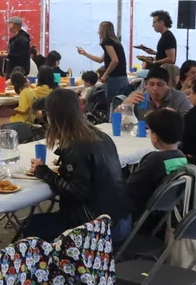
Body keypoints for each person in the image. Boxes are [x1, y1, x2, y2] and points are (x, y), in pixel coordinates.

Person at [25, 89, 132, 242]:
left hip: (101, 227)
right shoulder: (99, 135)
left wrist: (44, 172)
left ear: (51, 116)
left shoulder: (75, 146)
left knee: (31, 225)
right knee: (41, 222)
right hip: (120, 218)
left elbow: (77, 191)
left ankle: (60, 257)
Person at [125, 109, 188, 215]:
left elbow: (130, 188)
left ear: (155, 137)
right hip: (165, 209)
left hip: (143, 210)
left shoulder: (154, 161)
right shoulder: (182, 157)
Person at [77, 21, 128, 97]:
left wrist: (105, 75)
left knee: (112, 101)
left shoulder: (107, 42)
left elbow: (115, 60)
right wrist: (85, 53)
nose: (98, 31)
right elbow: (100, 59)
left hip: (115, 78)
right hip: (122, 77)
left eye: (99, 29)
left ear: (103, 30)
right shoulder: (115, 42)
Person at [123, 66, 191, 118]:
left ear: (168, 85)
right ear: (146, 84)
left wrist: (175, 118)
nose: (155, 88)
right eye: (151, 84)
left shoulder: (180, 98)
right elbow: (120, 120)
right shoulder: (138, 97)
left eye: (160, 85)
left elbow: (189, 123)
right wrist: (125, 104)